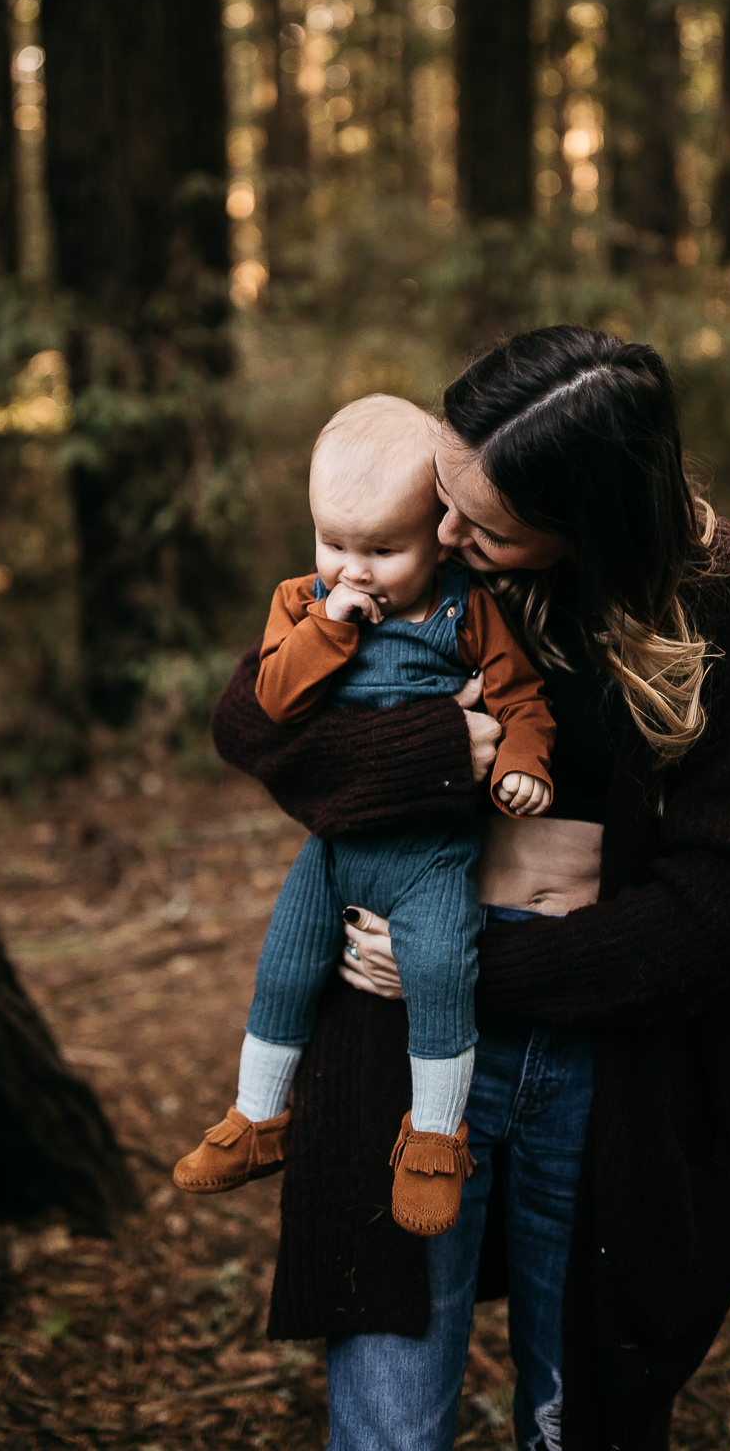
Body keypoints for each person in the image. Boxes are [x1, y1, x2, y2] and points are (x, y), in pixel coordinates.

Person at [210, 325, 730, 1451]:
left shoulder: (729, 597)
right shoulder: (433, 564)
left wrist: (492, 971)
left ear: (589, 520)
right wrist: (439, 751)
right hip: (396, 1036)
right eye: (447, 495)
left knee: (576, 1407)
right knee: (390, 1410)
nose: (441, 535)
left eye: (484, 523)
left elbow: (726, 891)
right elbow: (253, 725)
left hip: (610, 1055)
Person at [175, 394, 556, 1236]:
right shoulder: (303, 604)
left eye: (383, 549)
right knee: (284, 966)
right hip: (336, 849)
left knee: (440, 979)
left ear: (436, 534)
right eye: (334, 543)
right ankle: (256, 1117)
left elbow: (521, 697)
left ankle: (434, 1137)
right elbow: (268, 704)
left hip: (430, 857)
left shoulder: (466, 609)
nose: (353, 567)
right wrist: (329, 629)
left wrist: (523, 760)